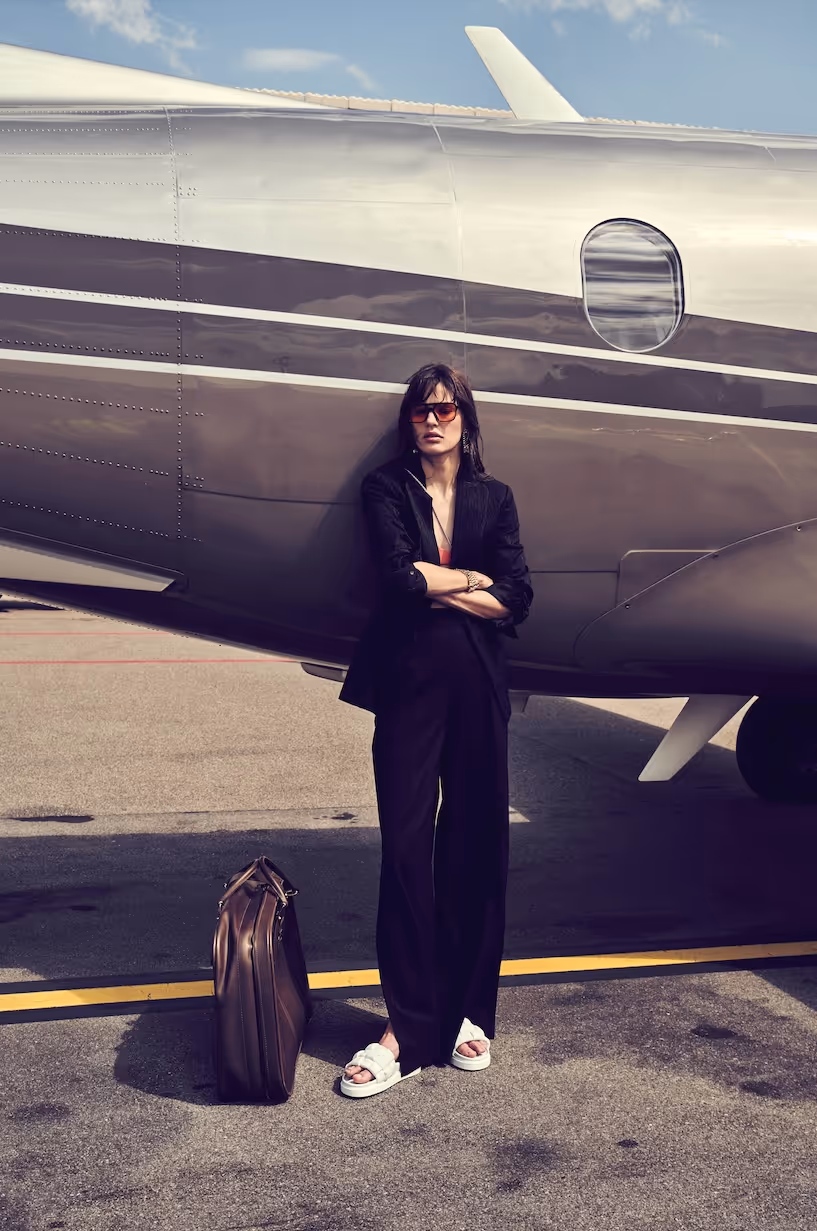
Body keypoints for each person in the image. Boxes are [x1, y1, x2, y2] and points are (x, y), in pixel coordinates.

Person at [337, 363, 533, 1098]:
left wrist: (448, 582)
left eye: (446, 409)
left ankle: (467, 1013)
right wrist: (472, 581)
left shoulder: (494, 497)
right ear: (408, 421)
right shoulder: (386, 488)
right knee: (407, 851)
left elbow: (518, 597)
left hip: (479, 687)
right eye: (421, 409)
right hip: (409, 690)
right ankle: (405, 1028)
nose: (433, 419)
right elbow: (396, 578)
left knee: (477, 845)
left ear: (465, 419)